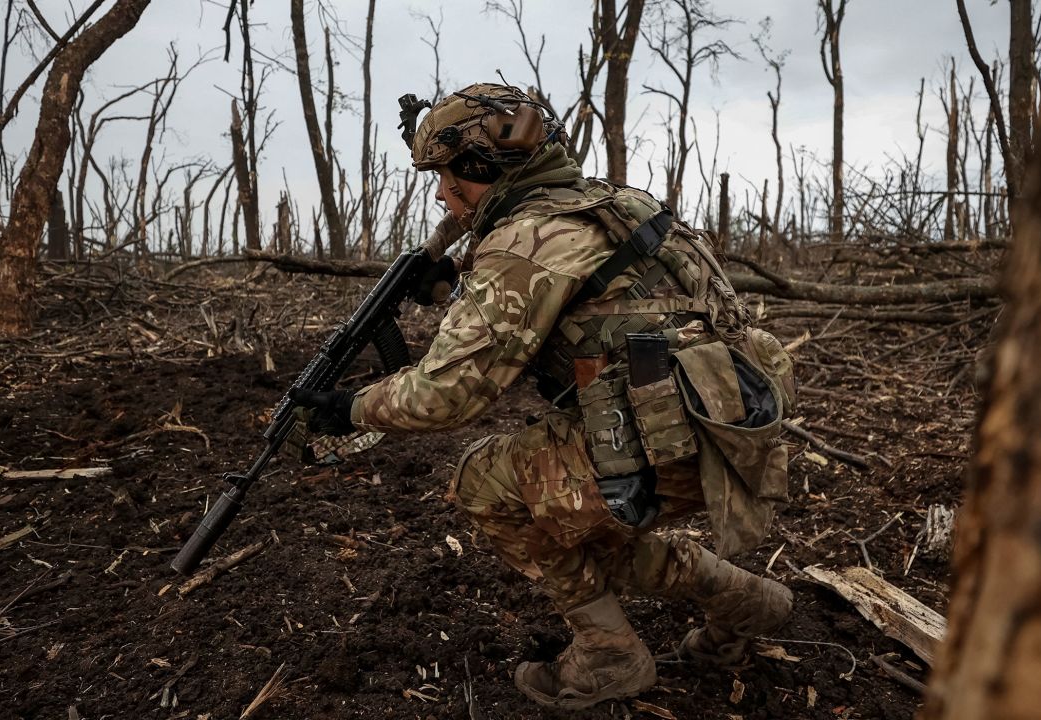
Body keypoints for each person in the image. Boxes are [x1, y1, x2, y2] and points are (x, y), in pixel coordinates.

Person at [291, 83, 796, 711]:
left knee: (486, 483)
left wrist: (352, 408)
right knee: (568, 524)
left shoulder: (525, 241)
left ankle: (608, 653)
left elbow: (449, 395)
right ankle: (743, 602)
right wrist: (455, 281)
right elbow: (588, 307)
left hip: (665, 446)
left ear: (482, 169)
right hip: (736, 430)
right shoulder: (615, 203)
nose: (443, 193)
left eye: (448, 176)